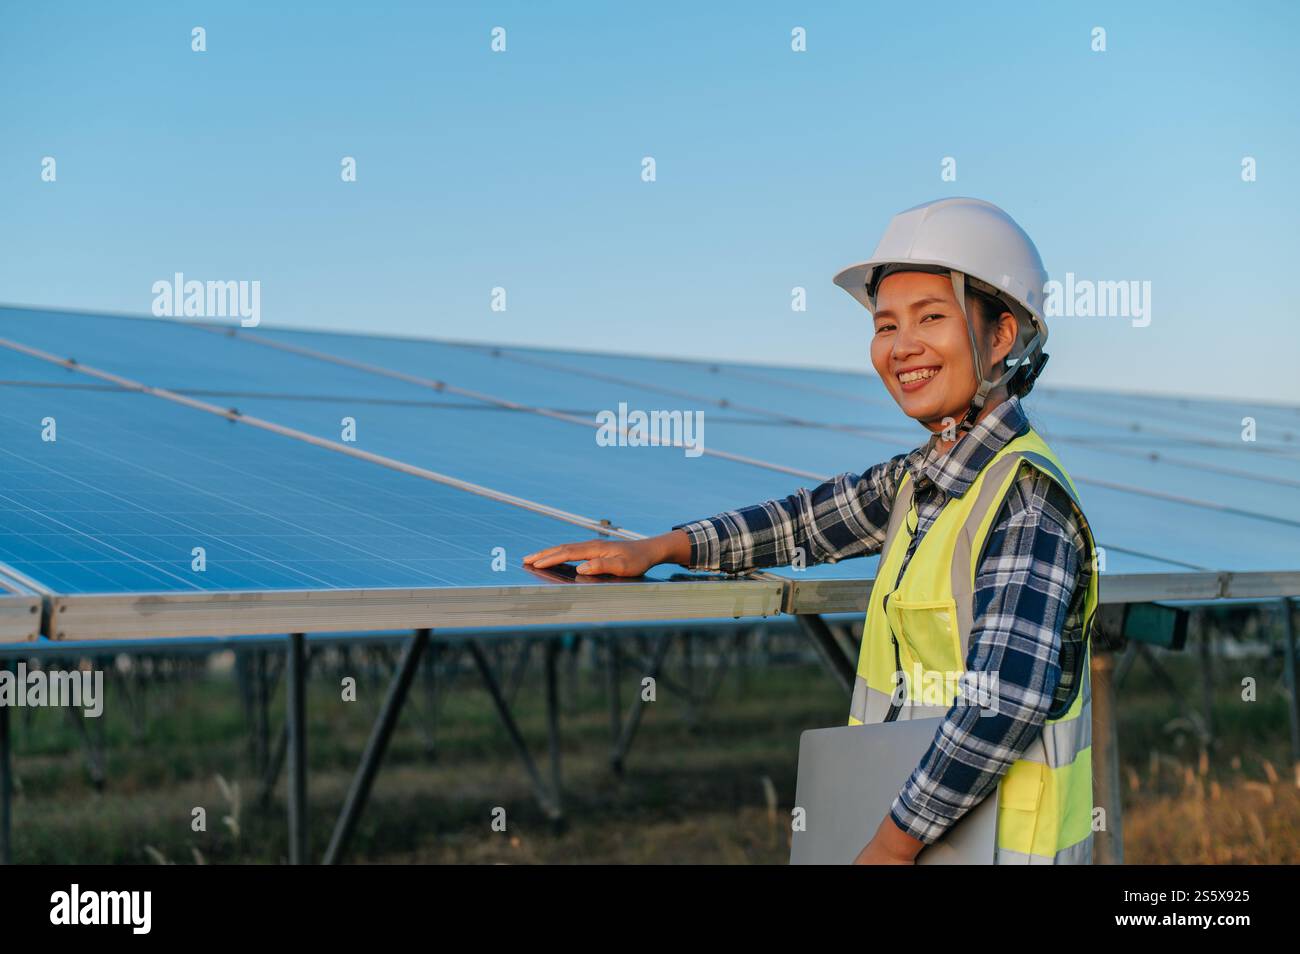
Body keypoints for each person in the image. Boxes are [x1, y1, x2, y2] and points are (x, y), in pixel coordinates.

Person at [523, 197, 1098, 865]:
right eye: (885, 325)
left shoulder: (1026, 504)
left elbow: (1000, 707)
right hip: (929, 833)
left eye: (931, 318)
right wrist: (660, 548)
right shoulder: (923, 477)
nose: (901, 346)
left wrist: (888, 846)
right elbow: (804, 522)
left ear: (1002, 336)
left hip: (999, 851)